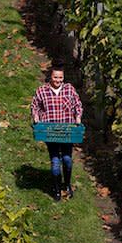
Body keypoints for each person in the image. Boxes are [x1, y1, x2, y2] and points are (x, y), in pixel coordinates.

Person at [30, 65, 83, 201]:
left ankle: (67, 184)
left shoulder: (69, 89)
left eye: (60, 77)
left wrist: (78, 116)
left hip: (67, 131)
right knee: (55, 161)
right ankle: (57, 188)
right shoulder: (42, 91)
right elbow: (34, 105)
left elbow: (78, 105)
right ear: (50, 77)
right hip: (50, 131)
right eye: (55, 77)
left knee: (67, 159)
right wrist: (35, 117)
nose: (58, 80)